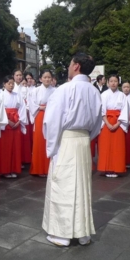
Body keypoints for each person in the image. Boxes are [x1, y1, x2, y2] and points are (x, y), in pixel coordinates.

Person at [42, 53, 102, 247]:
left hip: (66, 140)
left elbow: (52, 122)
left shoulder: (64, 89)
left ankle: (62, 234)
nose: (68, 66)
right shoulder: (94, 92)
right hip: (83, 141)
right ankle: (83, 233)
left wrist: (51, 147)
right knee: (82, 186)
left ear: (76, 66)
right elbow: (97, 123)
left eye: (70, 63)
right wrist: (85, 138)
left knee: (63, 185)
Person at [97, 75, 129, 177]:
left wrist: (117, 124)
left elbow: (125, 111)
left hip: (118, 123)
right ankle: (106, 168)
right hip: (106, 121)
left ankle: (116, 168)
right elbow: (101, 110)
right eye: (111, 81)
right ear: (108, 82)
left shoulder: (122, 95)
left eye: (115, 81)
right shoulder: (104, 95)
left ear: (118, 82)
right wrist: (107, 123)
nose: (113, 83)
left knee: (117, 147)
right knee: (105, 146)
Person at [0, 75, 28, 178]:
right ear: (4, 84)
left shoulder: (17, 95)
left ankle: (14, 168)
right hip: (6, 122)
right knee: (6, 147)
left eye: (12, 83)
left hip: (16, 121)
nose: (11, 85)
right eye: (9, 83)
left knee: (16, 146)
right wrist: (7, 121)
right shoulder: (0, 95)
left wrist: (19, 121)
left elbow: (22, 109)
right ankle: (5, 169)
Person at [29, 70, 55, 176]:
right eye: (45, 77)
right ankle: (39, 168)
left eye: (49, 77)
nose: (47, 79)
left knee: (50, 141)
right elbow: (32, 105)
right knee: (39, 141)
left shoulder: (55, 90)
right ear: (40, 79)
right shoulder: (35, 91)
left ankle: (50, 168)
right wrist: (42, 107)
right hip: (40, 115)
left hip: (52, 116)